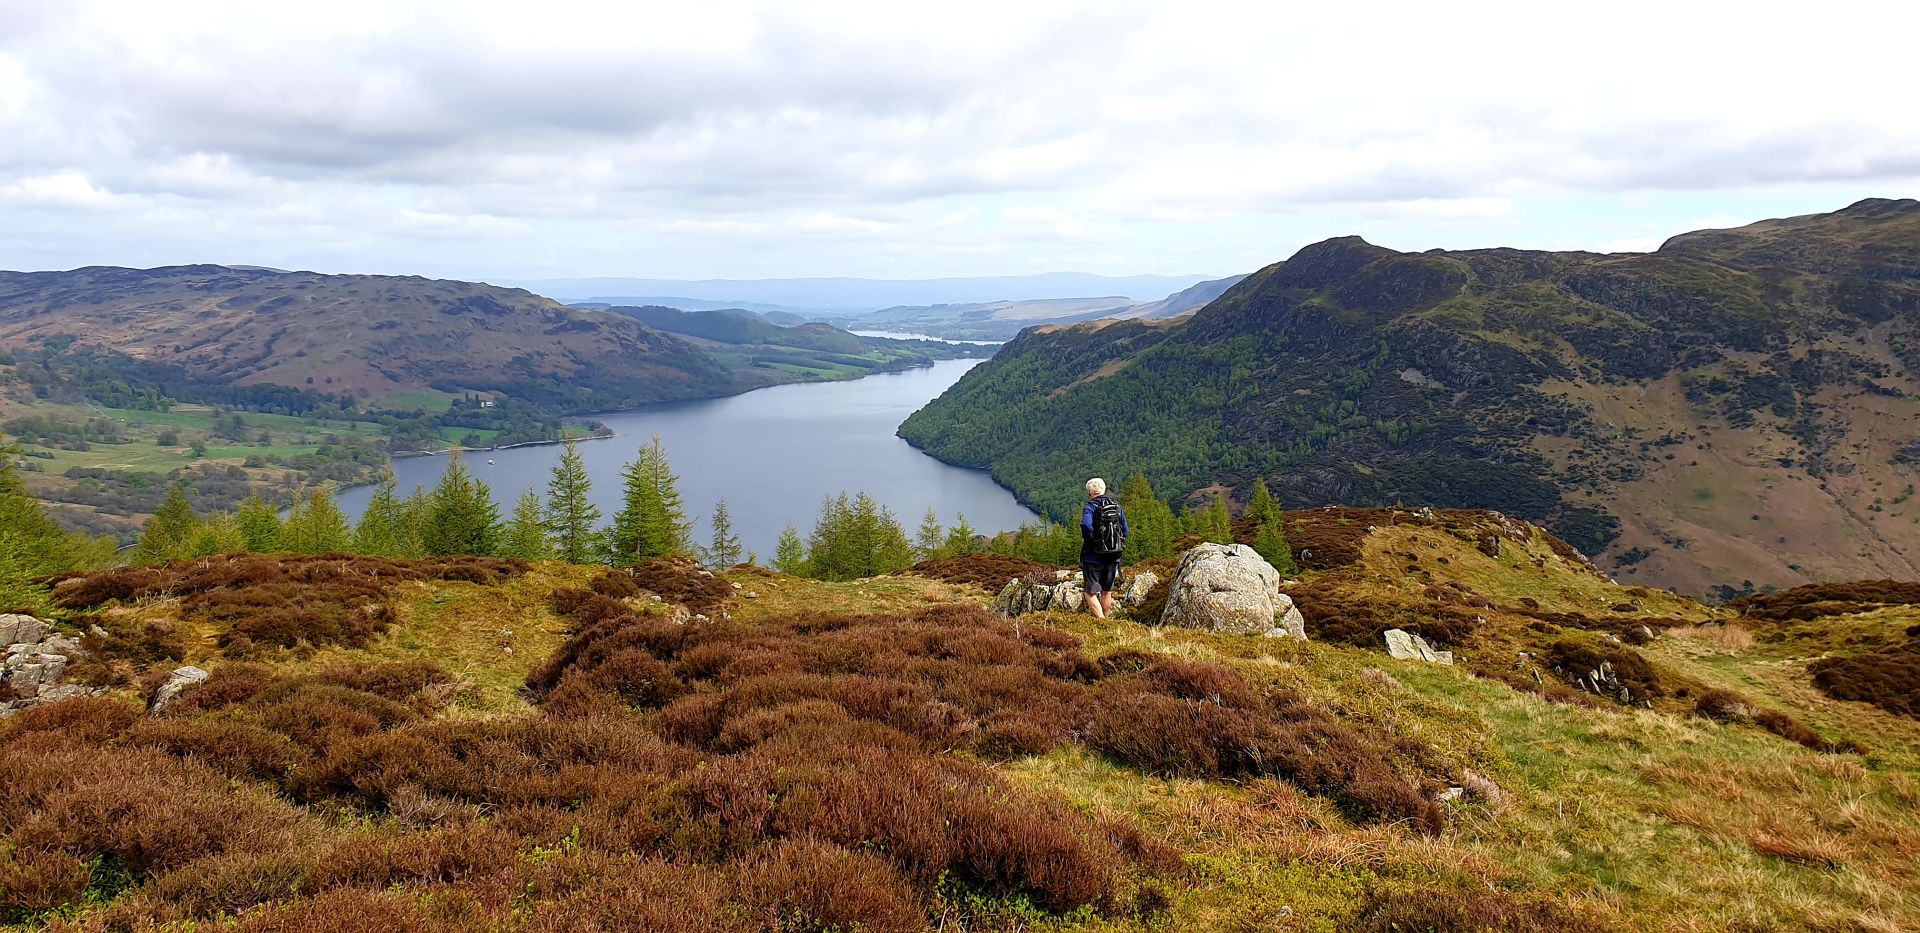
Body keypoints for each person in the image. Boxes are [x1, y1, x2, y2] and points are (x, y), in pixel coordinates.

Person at [1079, 477, 1129, 619]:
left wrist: (1092, 541)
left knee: (1090, 593)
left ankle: (1101, 621)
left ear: (1089, 493)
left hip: (1093, 557)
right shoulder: (1116, 507)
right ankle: (1106, 620)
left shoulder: (1090, 507)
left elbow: (1085, 525)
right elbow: (1125, 531)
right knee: (1107, 591)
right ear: (1104, 490)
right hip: (1113, 556)